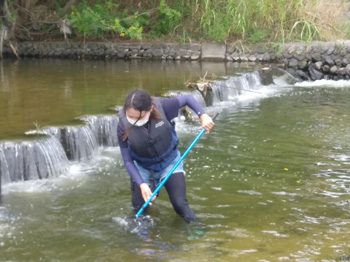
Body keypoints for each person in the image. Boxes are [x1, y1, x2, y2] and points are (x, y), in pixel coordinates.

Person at [117, 89, 215, 223]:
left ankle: (198, 232)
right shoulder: (123, 125)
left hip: (170, 163)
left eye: (137, 117)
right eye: (130, 117)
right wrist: (142, 184)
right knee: (139, 209)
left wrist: (202, 115)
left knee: (180, 204)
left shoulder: (164, 107)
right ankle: (146, 241)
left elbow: (187, 98)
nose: (133, 121)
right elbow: (127, 160)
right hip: (142, 167)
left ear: (150, 109)